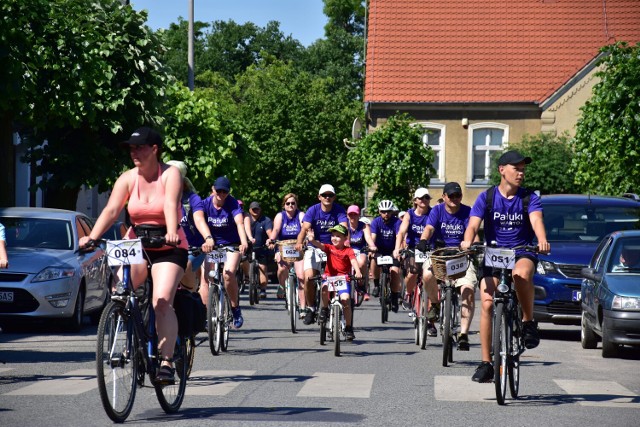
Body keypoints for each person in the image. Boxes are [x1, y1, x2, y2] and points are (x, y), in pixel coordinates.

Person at [79, 127, 188, 384]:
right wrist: (92, 236)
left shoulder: (170, 174)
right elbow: (112, 209)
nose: (134, 152)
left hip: (168, 246)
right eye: (131, 148)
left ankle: (166, 361)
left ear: (154, 149)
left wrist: (172, 231)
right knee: (122, 290)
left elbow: (171, 204)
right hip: (138, 242)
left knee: (161, 301)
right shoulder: (128, 178)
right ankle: (133, 338)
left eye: (140, 147)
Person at [461, 150, 550, 383]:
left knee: (521, 274)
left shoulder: (529, 197)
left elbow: (536, 220)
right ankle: (486, 363)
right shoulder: (487, 197)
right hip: (494, 253)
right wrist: (467, 240)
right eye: (516, 168)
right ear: (502, 170)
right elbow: (473, 225)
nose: (521, 173)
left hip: (522, 251)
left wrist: (541, 239)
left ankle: (528, 321)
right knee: (488, 303)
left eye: (523, 169)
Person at [418, 182, 477, 350]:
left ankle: (463, 335)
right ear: (444, 196)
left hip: (460, 255)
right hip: (439, 254)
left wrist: (473, 246)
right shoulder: (437, 210)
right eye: (450, 196)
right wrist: (423, 240)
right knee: (427, 275)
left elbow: (471, 231)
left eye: (457, 195)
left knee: (468, 289)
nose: (454, 199)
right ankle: (435, 305)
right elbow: (429, 228)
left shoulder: (467, 211)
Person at [200, 176, 249, 329]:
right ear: (213, 189)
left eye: (224, 192)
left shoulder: (232, 203)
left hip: (231, 244)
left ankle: (235, 309)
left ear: (228, 192)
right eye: (218, 190)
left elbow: (240, 223)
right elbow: (198, 221)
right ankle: (205, 314)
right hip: (211, 245)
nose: (221, 194)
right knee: (207, 277)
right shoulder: (205, 204)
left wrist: (244, 242)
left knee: (228, 274)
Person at [295, 184, 348, 325]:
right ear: (319, 197)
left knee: (338, 276)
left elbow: (344, 227)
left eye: (330, 195)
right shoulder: (313, 210)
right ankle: (311, 308)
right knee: (309, 277)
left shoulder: (339, 210)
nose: (327, 197)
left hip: (333, 248)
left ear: (334, 197)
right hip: (314, 247)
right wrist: (300, 243)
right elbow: (304, 229)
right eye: (324, 195)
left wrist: (346, 243)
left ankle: (336, 304)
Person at [308, 224, 362, 340]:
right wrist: (312, 240)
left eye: (338, 236)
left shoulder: (349, 250)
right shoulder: (329, 248)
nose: (334, 238)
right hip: (329, 277)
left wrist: (357, 271)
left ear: (345, 239)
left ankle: (348, 327)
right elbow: (320, 245)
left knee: (346, 300)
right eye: (332, 236)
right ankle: (325, 309)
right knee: (324, 288)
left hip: (343, 279)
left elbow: (353, 261)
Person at [166, 160, 211, 294]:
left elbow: (199, 219)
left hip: (194, 248)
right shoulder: (160, 196)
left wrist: (208, 238)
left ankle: (193, 303)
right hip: (169, 247)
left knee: (185, 268)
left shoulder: (192, 198)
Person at [393, 188, 432, 313]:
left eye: (426, 197)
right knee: (413, 272)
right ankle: (408, 294)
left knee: (432, 278)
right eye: (421, 198)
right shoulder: (410, 214)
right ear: (415, 200)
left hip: (429, 249)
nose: (424, 200)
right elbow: (402, 232)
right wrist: (397, 248)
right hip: (413, 249)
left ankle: (431, 315)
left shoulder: (433, 212)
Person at [269, 193, 306, 305]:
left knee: (301, 276)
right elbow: (275, 230)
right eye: (288, 203)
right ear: (284, 205)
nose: (290, 205)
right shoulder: (280, 216)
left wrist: (307, 238)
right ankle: (282, 285)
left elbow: (304, 228)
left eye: (293, 203)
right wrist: (271, 240)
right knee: (282, 269)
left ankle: (302, 303)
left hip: (298, 247)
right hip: (282, 246)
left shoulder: (300, 215)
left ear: (296, 205)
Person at [370, 200, 402, 312]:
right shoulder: (376, 222)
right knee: (373, 259)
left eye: (388, 211)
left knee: (395, 270)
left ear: (392, 211)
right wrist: (372, 247)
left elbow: (399, 236)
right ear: (379, 211)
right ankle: (376, 285)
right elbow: (373, 236)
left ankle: (394, 296)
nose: (386, 214)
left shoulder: (397, 222)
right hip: (380, 251)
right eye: (383, 212)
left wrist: (398, 250)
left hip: (393, 251)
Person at [347, 205, 376, 301]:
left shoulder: (363, 225)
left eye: (355, 214)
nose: (352, 217)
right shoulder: (345, 225)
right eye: (350, 214)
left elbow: (368, 237)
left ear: (358, 215)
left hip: (360, 250)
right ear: (347, 215)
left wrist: (372, 246)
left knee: (362, 262)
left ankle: (362, 285)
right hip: (348, 250)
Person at [247, 201, 273, 299]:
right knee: (243, 262)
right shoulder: (247, 220)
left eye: (257, 209)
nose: (255, 211)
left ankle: (263, 289)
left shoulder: (266, 220)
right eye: (253, 209)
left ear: (260, 210)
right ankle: (244, 278)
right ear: (249, 210)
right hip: (248, 249)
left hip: (261, 248)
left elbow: (270, 232)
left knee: (263, 268)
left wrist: (271, 240)